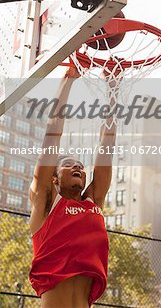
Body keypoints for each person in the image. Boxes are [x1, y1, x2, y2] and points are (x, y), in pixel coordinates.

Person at [29, 66, 116, 308]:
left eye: (80, 165)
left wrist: (112, 90)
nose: (77, 167)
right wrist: (67, 81)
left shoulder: (93, 203)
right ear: (54, 178)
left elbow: (107, 143)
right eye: (68, 165)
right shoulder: (46, 201)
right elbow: (52, 136)